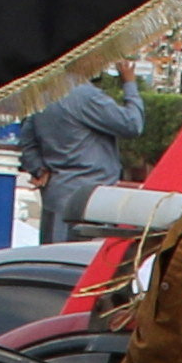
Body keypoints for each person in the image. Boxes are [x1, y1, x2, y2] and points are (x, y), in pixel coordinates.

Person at [19, 66, 147, 246]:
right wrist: (129, 82)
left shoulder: (44, 95)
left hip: (57, 195)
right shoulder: (85, 96)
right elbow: (133, 124)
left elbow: (27, 137)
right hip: (88, 200)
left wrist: (38, 168)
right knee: (78, 265)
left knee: (51, 261)